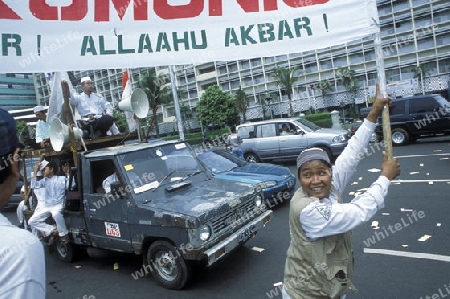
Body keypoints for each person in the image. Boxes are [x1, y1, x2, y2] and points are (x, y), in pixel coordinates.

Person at [282, 84, 401, 299]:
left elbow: (352, 152)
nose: (316, 180)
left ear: (330, 172)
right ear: (300, 179)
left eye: (322, 172)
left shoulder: (330, 183)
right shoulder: (307, 210)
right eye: (307, 175)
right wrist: (385, 178)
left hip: (331, 287)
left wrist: (373, 112)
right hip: (306, 294)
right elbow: (358, 212)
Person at [0, 108, 46, 298]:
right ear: (14, 161)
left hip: (48, 206)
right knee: (24, 212)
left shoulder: (58, 180)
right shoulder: (16, 250)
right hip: (39, 206)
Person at [28, 159, 71, 244]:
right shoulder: (44, 181)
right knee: (31, 221)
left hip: (58, 205)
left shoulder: (61, 179)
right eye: (42, 170)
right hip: (47, 206)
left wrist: (67, 174)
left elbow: (71, 185)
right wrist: (35, 172)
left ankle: (64, 234)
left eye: (45, 169)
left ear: (51, 169)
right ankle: (52, 229)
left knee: (56, 214)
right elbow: (34, 185)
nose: (43, 172)